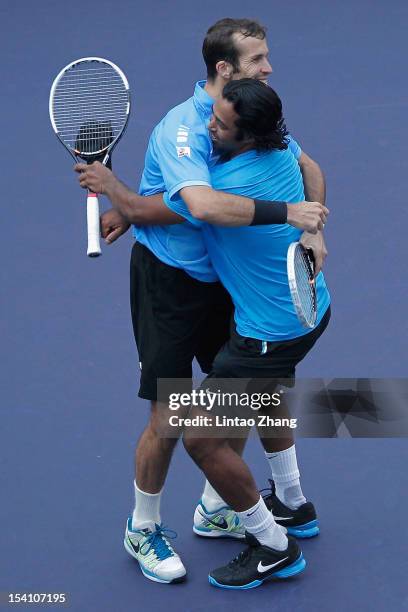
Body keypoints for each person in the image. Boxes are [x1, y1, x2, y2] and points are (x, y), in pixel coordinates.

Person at [75, 18, 328, 585]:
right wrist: (125, 199)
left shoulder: (251, 111)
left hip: (227, 284)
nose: (268, 67)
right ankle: (142, 526)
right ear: (224, 68)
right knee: (171, 411)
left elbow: (304, 165)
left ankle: (218, 507)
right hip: (170, 283)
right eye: (257, 58)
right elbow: (199, 205)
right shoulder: (187, 130)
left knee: (239, 393)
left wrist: (315, 230)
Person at [161, 78, 331, 589]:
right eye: (212, 114)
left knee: (202, 439)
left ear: (250, 136)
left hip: (268, 333)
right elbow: (312, 168)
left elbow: (200, 208)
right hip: (311, 312)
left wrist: (115, 195)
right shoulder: (282, 145)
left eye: (221, 125)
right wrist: (314, 226)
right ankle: (293, 502)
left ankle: (274, 545)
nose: (209, 126)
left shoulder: (231, 187)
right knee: (267, 396)